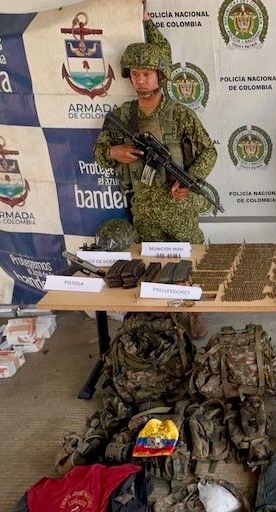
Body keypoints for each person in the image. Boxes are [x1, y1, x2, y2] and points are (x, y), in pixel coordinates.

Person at [93, 8, 216, 339]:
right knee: (154, 268)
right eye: (135, 74)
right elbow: (100, 151)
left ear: (161, 76)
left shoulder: (180, 115)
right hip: (144, 210)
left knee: (190, 263)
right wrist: (113, 152)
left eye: (147, 73)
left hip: (179, 209)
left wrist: (190, 183)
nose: (140, 80)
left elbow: (209, 152)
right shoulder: (123, 115)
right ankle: (163, 319)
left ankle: (193, 313)